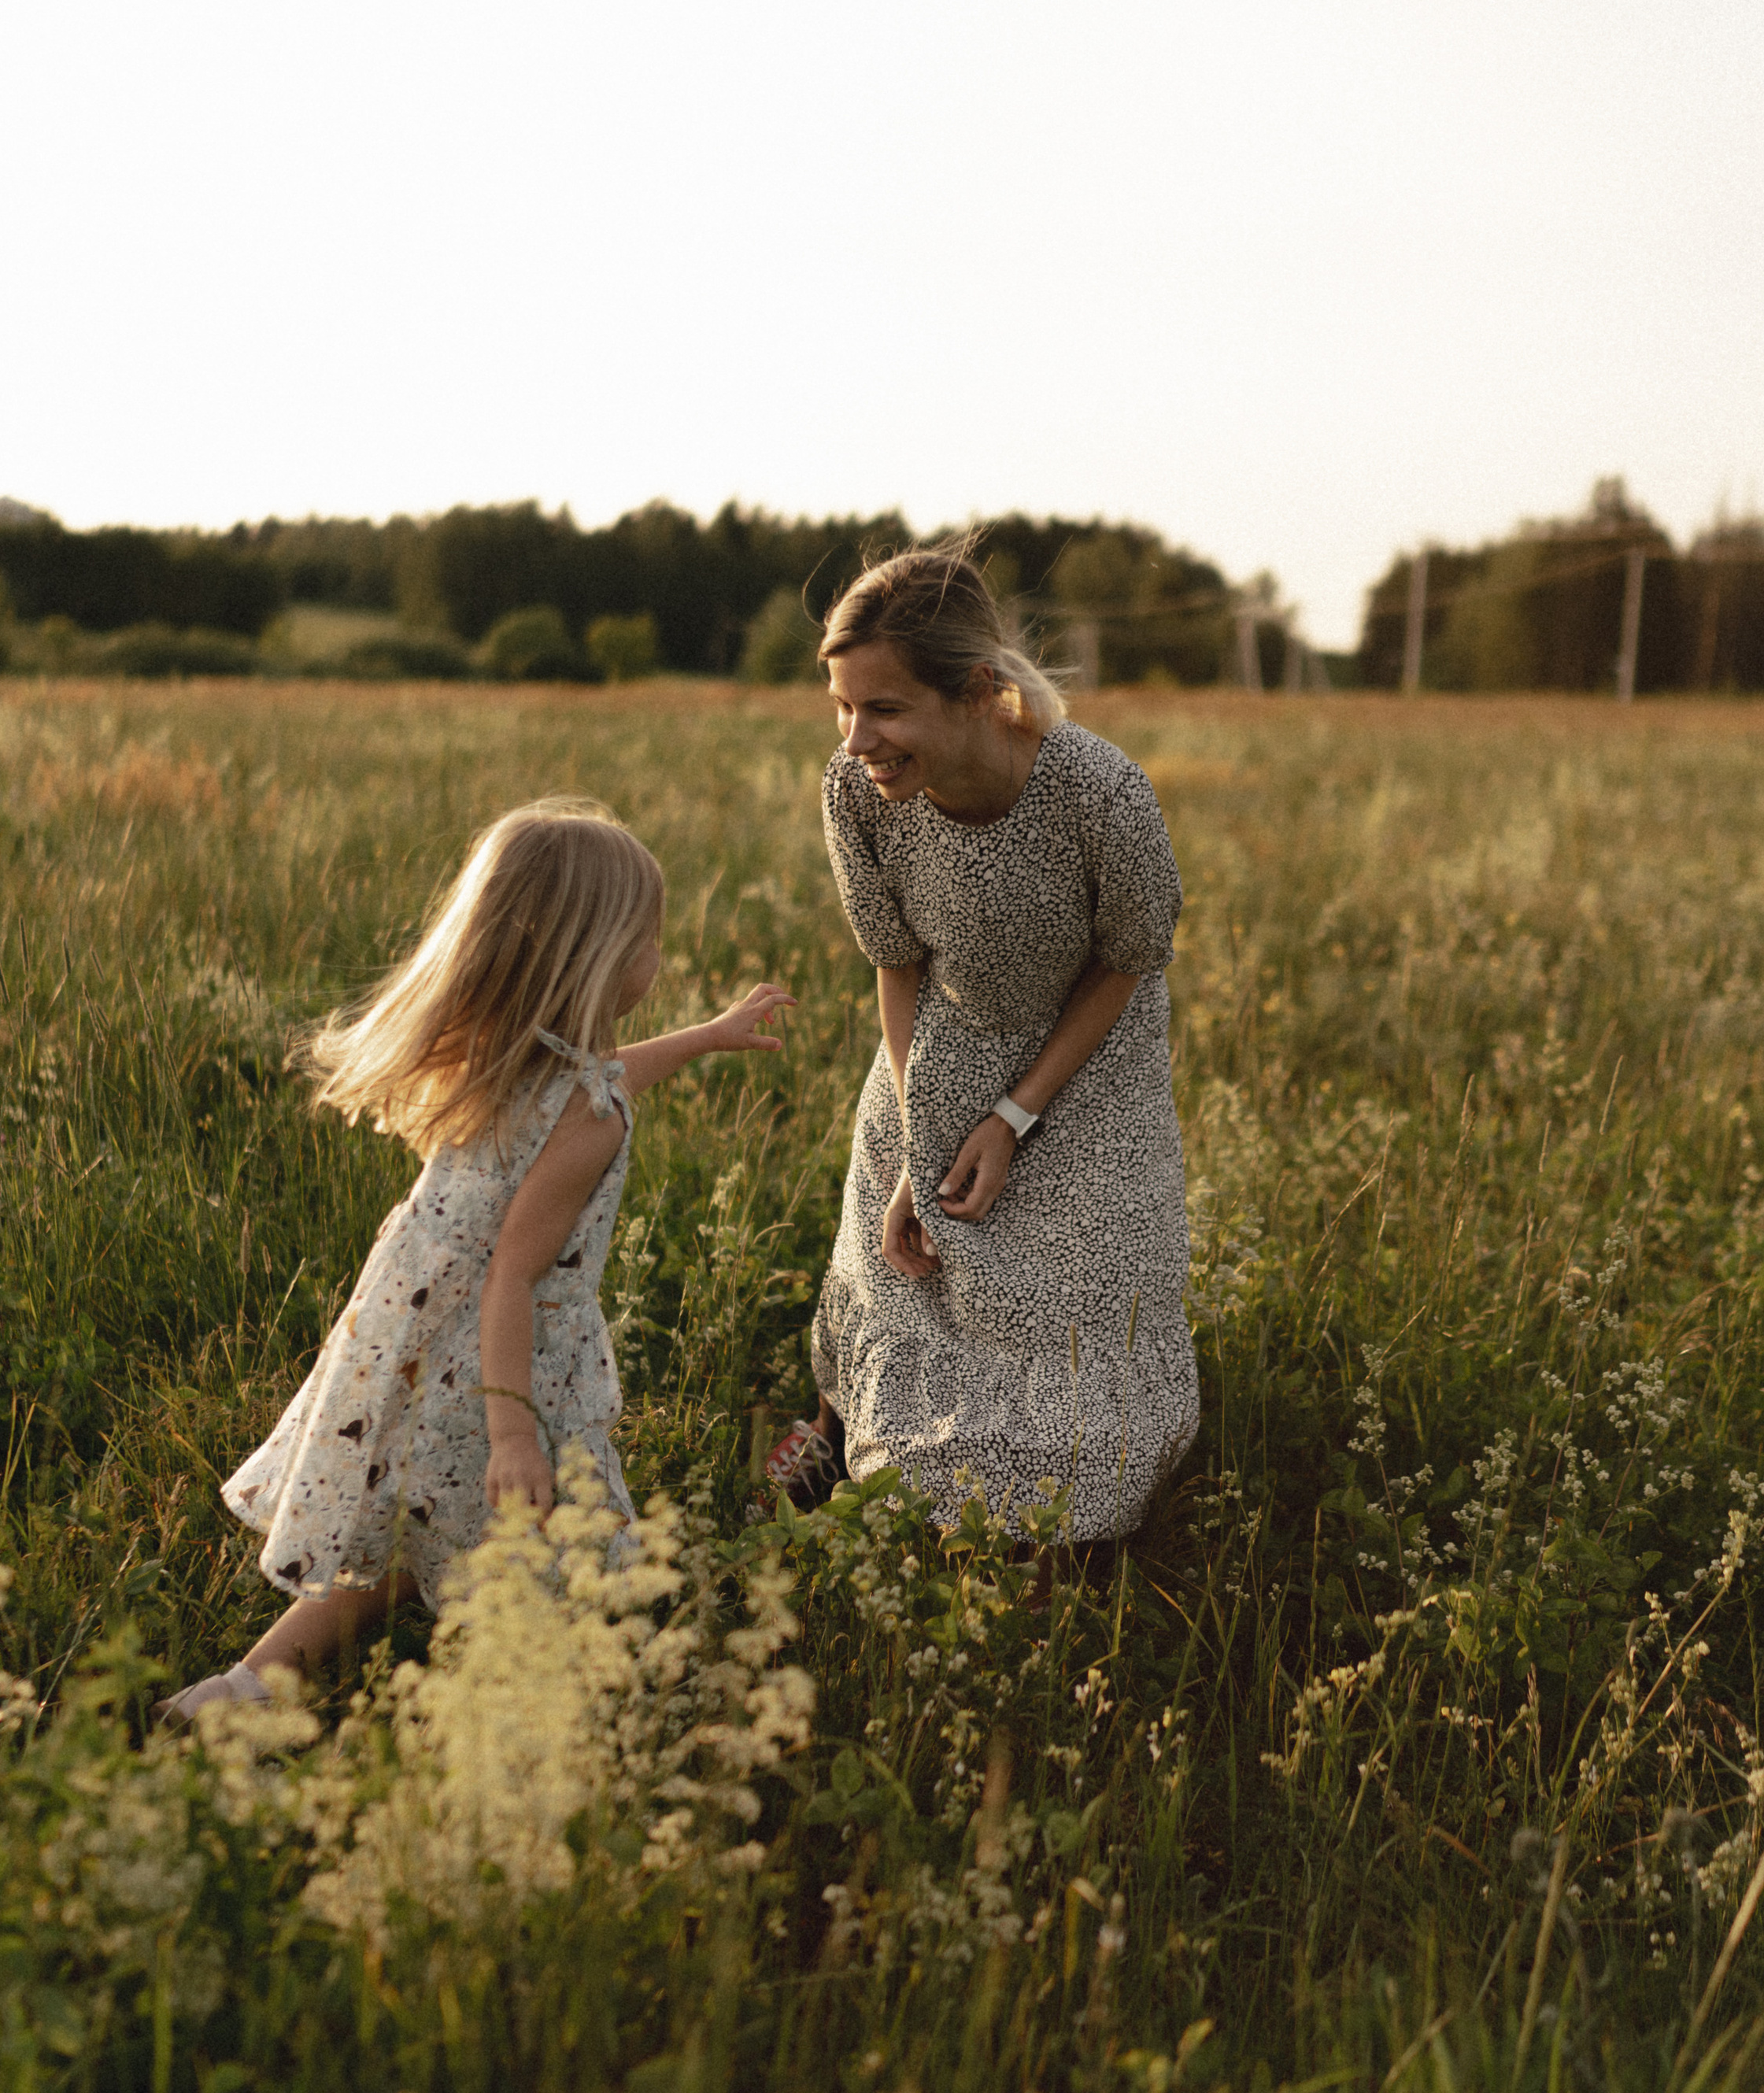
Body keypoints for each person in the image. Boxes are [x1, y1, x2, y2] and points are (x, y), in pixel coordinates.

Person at [161, 798, 793, 1721]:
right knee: (566, 1544)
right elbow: (514, 1274)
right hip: (506, 1367)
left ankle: (242, 1690)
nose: (659, 957)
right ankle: (562, 1707)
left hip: (416, 1345)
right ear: (600, 957)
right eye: (649, 939)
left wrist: (704, 1038)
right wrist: (511, 1433)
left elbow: (602, 1080)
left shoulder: (503, 1058)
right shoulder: (588, 1116)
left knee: (405, 1534)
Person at [768, 545, 1198, 1543]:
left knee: (1078, 1297)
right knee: (891, 1255)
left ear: (973, 693)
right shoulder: (854, 793)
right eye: (840, 705)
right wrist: (925, 1135)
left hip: (1091, 1058)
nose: (855, 738)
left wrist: (1012, 1118)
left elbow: (1130, 960)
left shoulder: (1101, 793)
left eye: (882, 709)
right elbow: (896, 961)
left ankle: (1062, 1518)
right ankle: (841, 1442)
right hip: (934, 1042)